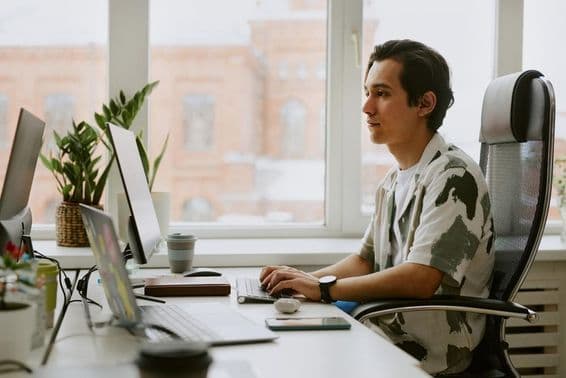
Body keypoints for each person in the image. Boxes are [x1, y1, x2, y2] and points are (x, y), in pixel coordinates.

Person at [260, 39, 495, 375]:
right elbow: (365, 260)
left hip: (426, 351)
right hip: (382, 329)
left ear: (425, 103)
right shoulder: (393, 180)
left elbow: (420, 278)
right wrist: (301, 281)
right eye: (367, 92)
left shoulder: (454, 177)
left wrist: (323, 289)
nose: (367, 107)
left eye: (382, 94)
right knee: (280, 345)